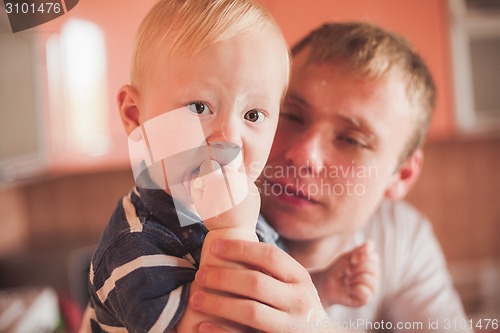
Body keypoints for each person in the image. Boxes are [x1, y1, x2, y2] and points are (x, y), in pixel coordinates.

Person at [188, 23, 472, 333]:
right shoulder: (178, 215)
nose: (303, 155)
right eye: (291, 115)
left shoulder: (401, 237)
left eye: (352, 140)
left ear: (402, 175)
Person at [85, 0, 290, 331]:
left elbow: (273, 295)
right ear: (135, 116)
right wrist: (232, 235)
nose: (230, 139)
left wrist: (321, 282)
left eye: (253, 115)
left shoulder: (242, 204)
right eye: (199, 106)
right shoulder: (134, 245)